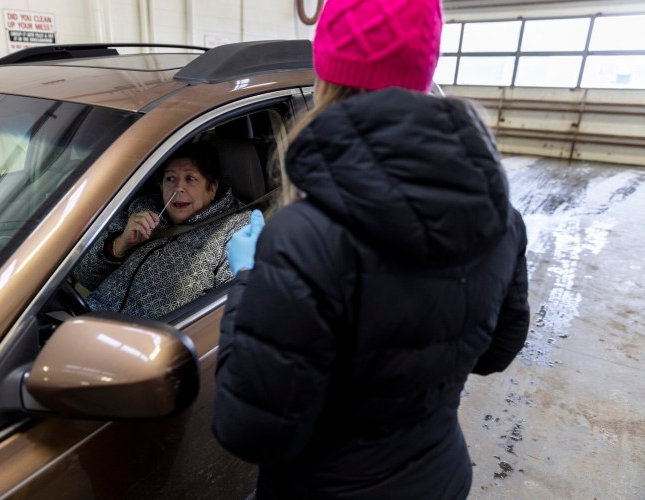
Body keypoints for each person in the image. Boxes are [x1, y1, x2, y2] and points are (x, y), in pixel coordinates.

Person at [212, 0, 530, 498]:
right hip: (439, 479)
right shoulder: (499, 218)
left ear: (327, 79)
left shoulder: (304, 237)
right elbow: (496, 352)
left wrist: (251, 281)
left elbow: (250, 430)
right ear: (425, 72)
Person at [74, 142, 251, 319]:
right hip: (89, 317)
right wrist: (120, 245)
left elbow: (230, 313)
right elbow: (84, 276)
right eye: (170, 179)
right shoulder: (141, 208)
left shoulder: (238, 229)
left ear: (212, 188)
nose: (178, 188)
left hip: (150, 340)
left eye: (190, 178)